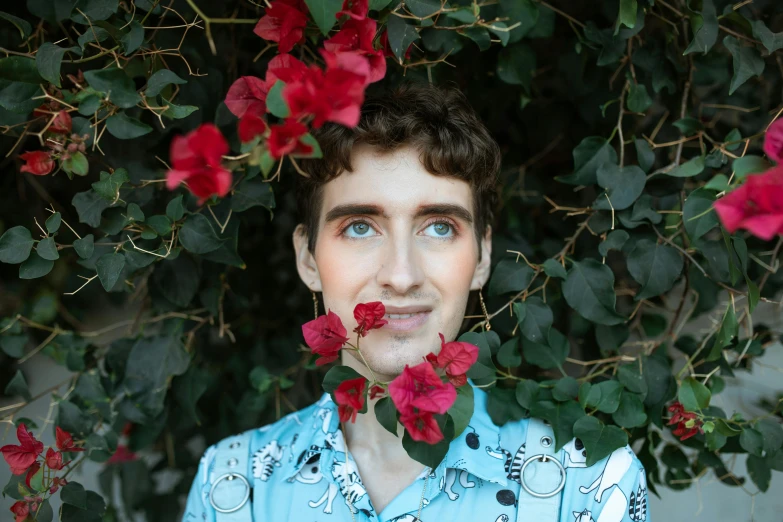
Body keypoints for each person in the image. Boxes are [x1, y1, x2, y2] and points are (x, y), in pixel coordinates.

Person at [182, 82, 649, 522]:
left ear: (482, 257)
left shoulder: (588, 481)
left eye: (439, 226)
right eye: (360, 226)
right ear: (307, 258)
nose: (401, 276)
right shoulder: (232, 488)